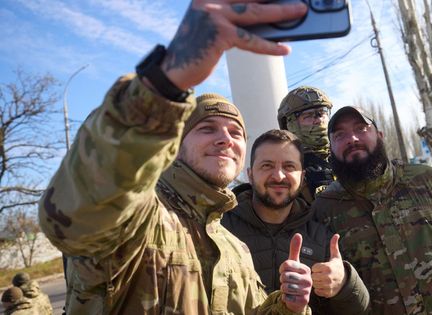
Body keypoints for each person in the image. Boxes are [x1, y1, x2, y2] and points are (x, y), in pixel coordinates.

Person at [38, 0, 316, 313]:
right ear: (178, 145)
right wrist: (164, 83)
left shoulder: (234, 248)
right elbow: (74, 216)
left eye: (236, 133)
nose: (225, 138)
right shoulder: (141, 218)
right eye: (207, 129)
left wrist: (288, 308)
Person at [311, 105, 432, 314]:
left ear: (380, 136)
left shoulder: (429, 180)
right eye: (340, 135)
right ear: (331, 149)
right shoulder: (324, 209)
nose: (353, 139)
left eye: (361, 128)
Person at [222, 129, 370, 314]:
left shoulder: (322, 236)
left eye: (289, 166)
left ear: (302, 178)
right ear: (250, 174)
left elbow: (358, 309)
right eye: (267, 166)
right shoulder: (221, 228)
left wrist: (344, 284)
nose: (279, 176)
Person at [277, 86, 334, 202]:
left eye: (322, 113)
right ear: (290, 125)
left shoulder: (345, 155)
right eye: (308, 116)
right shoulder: (284, 170)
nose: (318, 120)